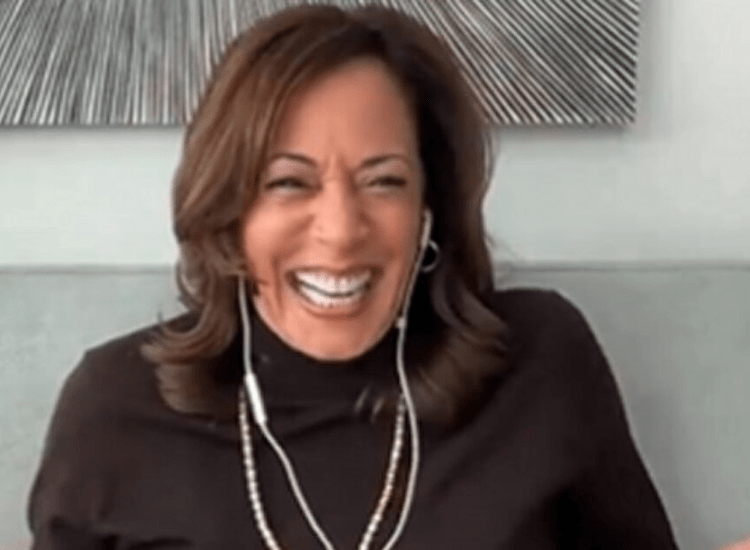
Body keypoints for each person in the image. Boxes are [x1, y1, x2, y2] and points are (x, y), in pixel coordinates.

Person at [28, 4, 680, 549]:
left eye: (384, 181)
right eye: (289, 183)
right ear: (230, 212)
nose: (340, 232)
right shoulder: (113, 407)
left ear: (428, 208)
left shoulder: (541, 360)